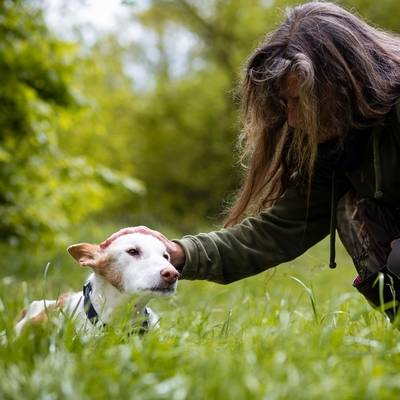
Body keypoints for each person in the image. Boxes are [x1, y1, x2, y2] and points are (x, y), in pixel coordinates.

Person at [101, 2, 400, 321]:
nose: (294, 119)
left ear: (342, 81)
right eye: (286, 103)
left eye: (301, 101)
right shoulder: (339, 147)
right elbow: (277, 230)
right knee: (350, 209)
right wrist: (180, 253)